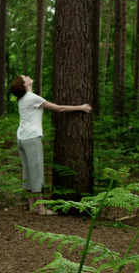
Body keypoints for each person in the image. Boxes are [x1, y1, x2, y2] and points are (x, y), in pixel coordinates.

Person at [10, 75, 92, 215]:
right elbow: (58, 108)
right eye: (26, 77)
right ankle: (41, 208)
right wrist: (81, 107)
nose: (29, 76)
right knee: (35, 171)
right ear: (24, 84)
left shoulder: (23, 99)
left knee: (28, 171)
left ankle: (32, 206)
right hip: (31, 138)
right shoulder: (32, 98)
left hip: (21, 138)